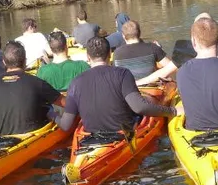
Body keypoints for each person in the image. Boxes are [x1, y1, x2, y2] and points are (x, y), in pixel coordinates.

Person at [51, 37, 179, 134]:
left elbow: (66, 125)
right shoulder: (122, 74)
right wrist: (172, 111)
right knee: (146, 101)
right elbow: (140, 108)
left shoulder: (76, 82)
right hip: (124, 133)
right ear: (109, 56)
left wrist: (50, 114)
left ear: (88, 58)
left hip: (90, 136)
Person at [0, 41, 62, 135]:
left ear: (3, 62)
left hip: (1, 140)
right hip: (32, 138)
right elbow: (65, 103)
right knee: (49, 107)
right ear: (25, 61)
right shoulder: (37, 83)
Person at [112, 20, 176, 86]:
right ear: (139, 33)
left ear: (123, 36)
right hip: (151, 87)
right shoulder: (152, 47)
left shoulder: (117, 52)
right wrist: (159, 50)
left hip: (129, 88)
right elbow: (171, 66)